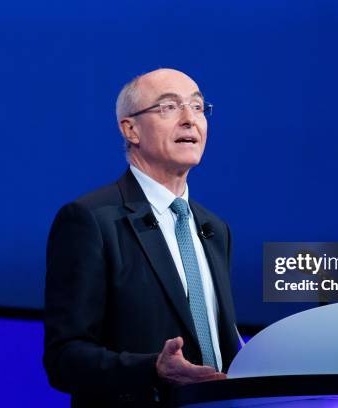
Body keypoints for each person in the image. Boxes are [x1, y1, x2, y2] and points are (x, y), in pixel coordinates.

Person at [43, 68, 240, 407]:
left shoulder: (214, 229)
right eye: (168, 107)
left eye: (196, 107)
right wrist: (154, 369)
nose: (189, 120)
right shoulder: (90, 220)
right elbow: (64, 358)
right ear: (130, 129)